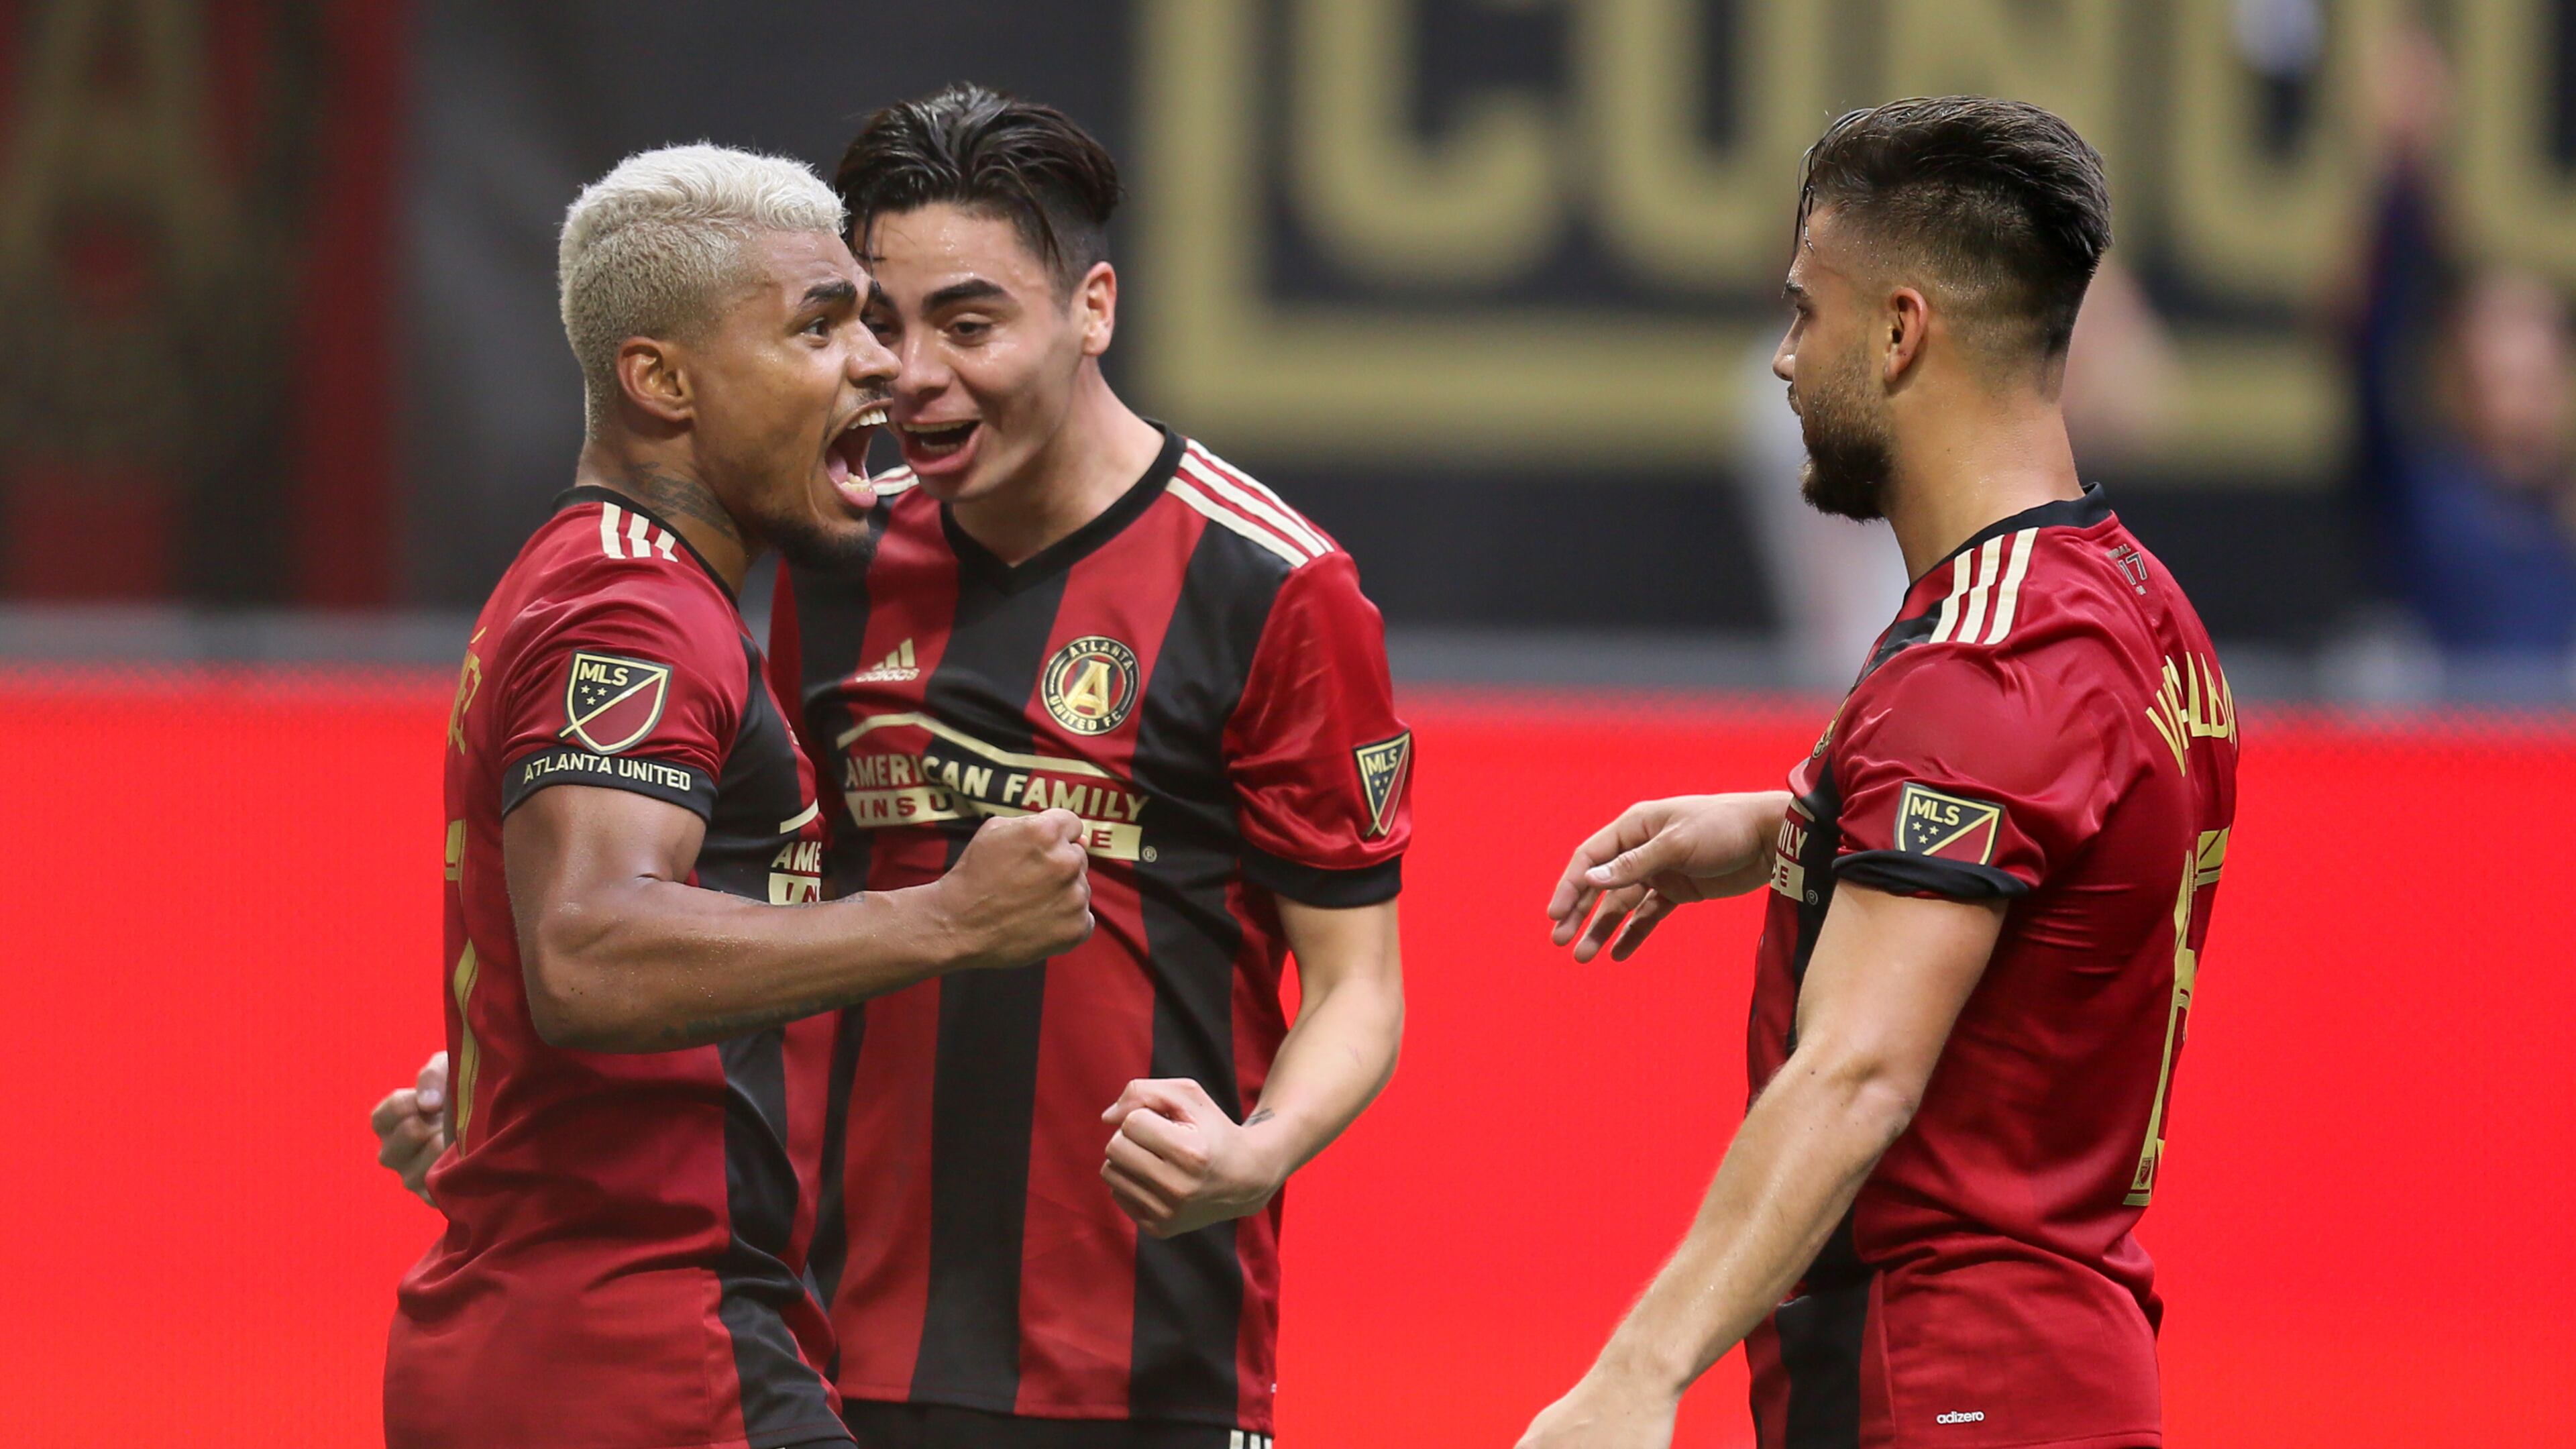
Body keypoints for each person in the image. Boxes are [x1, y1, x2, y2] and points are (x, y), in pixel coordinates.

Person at [379, 88, 1409, 1449]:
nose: (906, 372)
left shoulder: (1274, 586)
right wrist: (531, 1078)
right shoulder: (834, 554)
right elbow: (747, 898)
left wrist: (1256, 1152)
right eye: (871, 321)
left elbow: (1359, 982)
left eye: (967, 325)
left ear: (1092, 310)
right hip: (834, 1332)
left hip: (1139, 1356)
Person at [1518, 98, 2239, 1449]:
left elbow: (1857, 1071)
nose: (1786, 363)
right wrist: (1781, 826)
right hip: (2059, 1357)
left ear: (1901, 332)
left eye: (1806, 314)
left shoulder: (1977, 667)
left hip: (1952, 1377)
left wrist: (1635, 1375)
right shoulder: (2138, 607)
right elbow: (2053, 850)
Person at [382, 144, 1095, 1449]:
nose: (879, 367)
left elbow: (574, 946)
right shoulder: (633, 608)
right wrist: (953, 920)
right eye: (820, 330)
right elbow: (591, 949)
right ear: (662, 381)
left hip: (574, 1344)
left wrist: (500, 1104)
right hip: (648, 1360)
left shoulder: (609, 580)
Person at [2345, 21, 2576, 696]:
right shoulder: (2427, 493)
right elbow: (2376, 345)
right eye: (2495, 350)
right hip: (2460, 773)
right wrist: (2404, 168)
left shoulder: (2560, 514)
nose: (2514, 379)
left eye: (2533, 356)